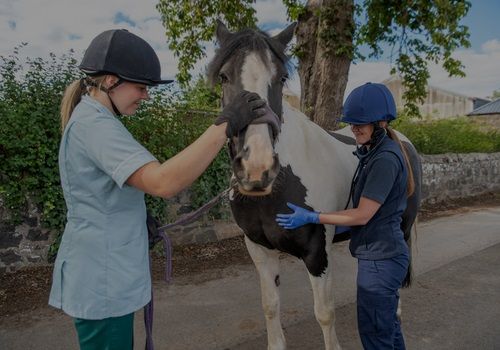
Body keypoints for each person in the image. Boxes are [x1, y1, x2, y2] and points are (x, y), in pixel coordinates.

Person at [49, 29, 274, 350]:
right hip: (103, 284)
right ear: (111, 81)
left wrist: (134, 219)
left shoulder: (96, 120)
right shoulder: (94, 126)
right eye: (141, 87)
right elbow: (164, 182)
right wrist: (225, 125)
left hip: (105, 279)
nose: (146, 96)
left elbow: (105, 195)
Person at [276, 82, 415, 350]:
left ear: (381, 122)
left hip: (380, 261)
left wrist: (314, 217)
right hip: (381, 256)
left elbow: (363, 214)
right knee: (388, 329)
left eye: (360, 123)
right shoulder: (375, 152)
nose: (354, 128)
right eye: (351, 123)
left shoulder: (384, 160)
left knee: (375, 335)